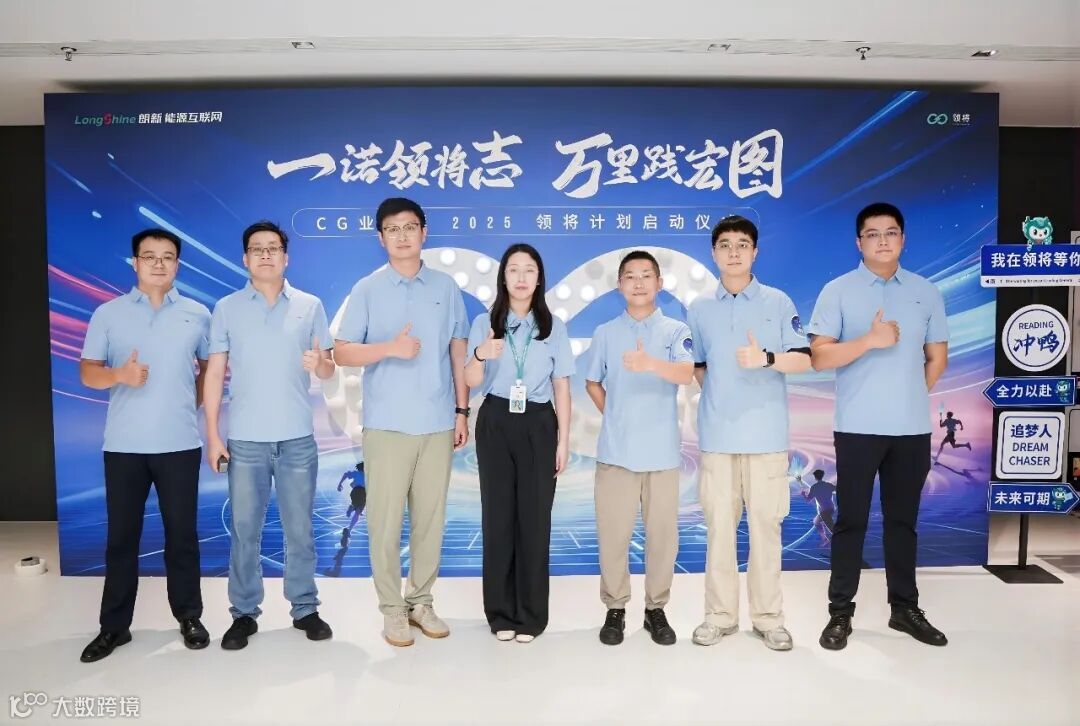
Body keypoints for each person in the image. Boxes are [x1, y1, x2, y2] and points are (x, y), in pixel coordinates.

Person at [808, 202, 950, 650]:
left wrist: (907, 397)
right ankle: (840, 613)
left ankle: (904, 609)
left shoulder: (926, 291)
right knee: (850, 521)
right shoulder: (838, 290)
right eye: (873, 234)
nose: (883, 240)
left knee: (902, 522)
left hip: (911, 429)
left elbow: (937, 357)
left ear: (903, 239)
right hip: (857, 427)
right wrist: (869, 340)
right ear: (859, 242)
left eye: (891, 232)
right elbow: (819, 357)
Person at [333, 197, 470, 647]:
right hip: (387, 424)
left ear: (424, 232)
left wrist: (461, 411)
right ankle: (392, 609)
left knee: (430, 519)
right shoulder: (368, 289)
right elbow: (342, 352)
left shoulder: (445, 287)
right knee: (385, 523)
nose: (402, 235)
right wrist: (389, 348)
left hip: (437, 421)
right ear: (381, 238)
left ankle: (421, 602)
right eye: (392, 229)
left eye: (410, 227)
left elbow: (457, 350)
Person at [78, 228, 211, 663]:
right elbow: (88, 373)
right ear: (134, 262)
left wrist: (188, 403)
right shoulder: (109, 314)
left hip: (180, 444)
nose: (158, 263)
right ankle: (114, 627)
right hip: (124, 446)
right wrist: (119, 375)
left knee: (182, 537)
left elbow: (210, 370)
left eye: (167, 256)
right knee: (121, 539)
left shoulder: (197, 314)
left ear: (177, 265)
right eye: (149, 256)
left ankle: (189, 616)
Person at [204, 220, 336, 650]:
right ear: (245, 258)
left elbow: (328, 368)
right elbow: (215, 373)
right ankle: (243, 614)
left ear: (286, 257)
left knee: (300, 529)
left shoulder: (310, 305)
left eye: (273, 248)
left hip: (297, 438)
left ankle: (305, 608)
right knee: (245, 530)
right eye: (257, 248)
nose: (265, 254)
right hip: (246, 440)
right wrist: (213, 434)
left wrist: (320, 364)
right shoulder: (227, 308)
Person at [686, 215, 811, 651]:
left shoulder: (777, 301)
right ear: (714, 253)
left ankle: (768, 618)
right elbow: (698, 366)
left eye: (742, 244)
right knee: (719, 530)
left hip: (766, 439)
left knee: (765, 529)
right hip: (718, 438)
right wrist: (723, 398)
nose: (734, 252)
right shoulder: (699, 308)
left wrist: (767, 359)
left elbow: (804, 359)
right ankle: (719, 616)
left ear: (755, 252)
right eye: (725, 244)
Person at [465, 243, 574, 643]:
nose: (522, 277)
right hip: (495, 420)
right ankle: (500, 613)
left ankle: (531, 615)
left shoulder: (552, 326)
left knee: (534, 518)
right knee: (497, 518)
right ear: (503, 278)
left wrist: (563, 440)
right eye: (514, 269)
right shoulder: (485, 322)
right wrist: (481, 353)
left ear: (539, 278)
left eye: (529, 270)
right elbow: (471, 380)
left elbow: (562, 386)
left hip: (539, 423)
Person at [585, 250, 694, 646]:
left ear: (659, 283)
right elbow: (592, 382)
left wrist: (650, 363)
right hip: (616, 453)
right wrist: (615, 414)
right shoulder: (605, 333)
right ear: (619, 285)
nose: (638, 283)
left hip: (661, 453)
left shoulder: (675, 330)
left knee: (662, 537)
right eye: (630, 276)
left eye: (646, 275)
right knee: (613, 536)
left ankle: (655, 609)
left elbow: (686, 372)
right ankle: (615, 607)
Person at [797, 470, 837, 546]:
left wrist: (803, 494)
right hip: (831, 508)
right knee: (816, 521)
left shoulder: (814, 487)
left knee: (832, 529)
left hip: (824, 511)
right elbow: (837, 488)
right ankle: (825, 539)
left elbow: (808, 499)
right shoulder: (828, 485)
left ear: (815, 477)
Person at [336, 463, 367, 538]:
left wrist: (340, 484)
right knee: (357, 513)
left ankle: (352, 507)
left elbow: (346, 474)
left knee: (356, 506)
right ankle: (349, 530)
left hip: (354, 492)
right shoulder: (367, 475)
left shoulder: (356, 473)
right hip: (362, 492)